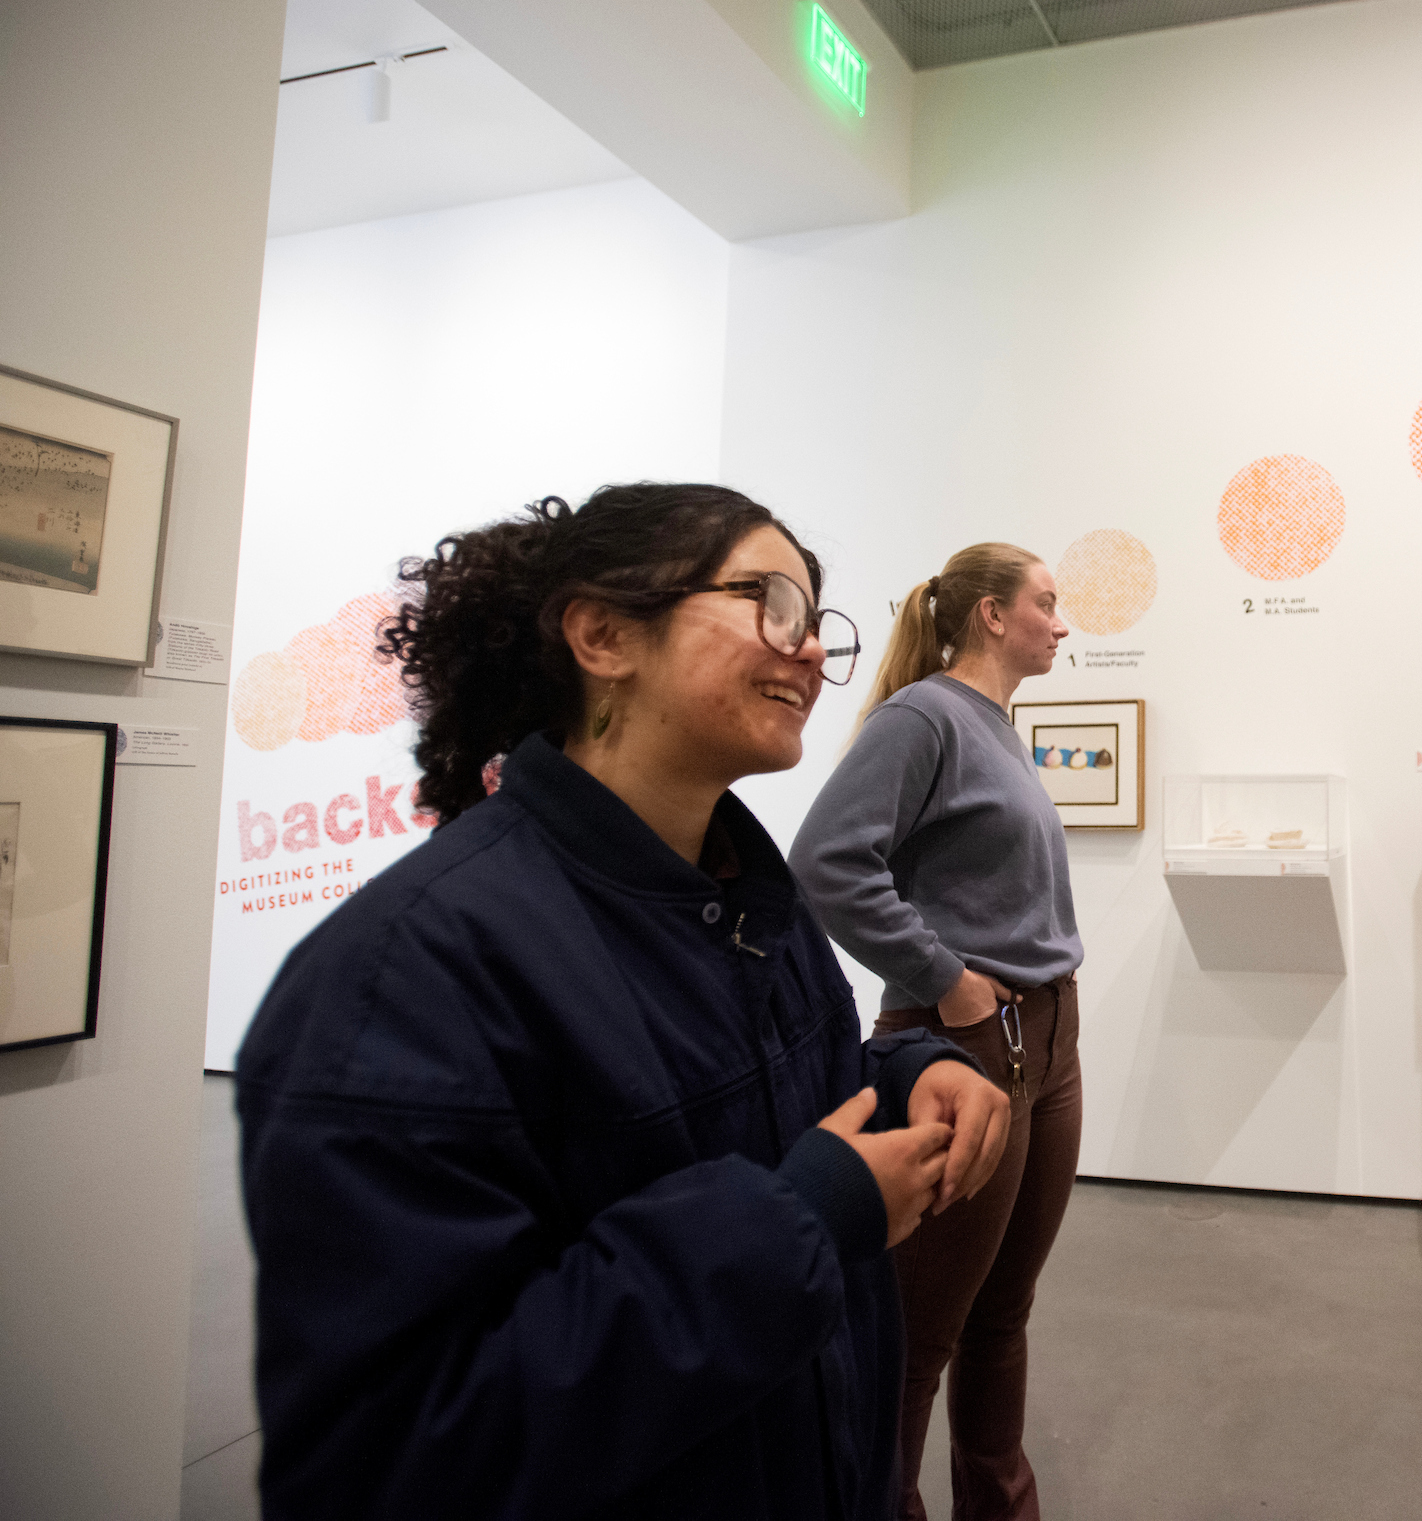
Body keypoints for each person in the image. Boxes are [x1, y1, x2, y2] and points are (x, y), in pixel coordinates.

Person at [236, 484, 1011, 1521]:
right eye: (773, 604)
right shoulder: (405, 977)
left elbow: (753, 1102)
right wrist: (804, 1225)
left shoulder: (744, 892)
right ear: (602, 633)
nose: (815, 651)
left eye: (819, 621)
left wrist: (907, 1070)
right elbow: (397, 1456)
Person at [789, 543, 1081, 1521]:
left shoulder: (998, 725)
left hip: (1046, 1037)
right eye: (1046, 602)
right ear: (992, 614)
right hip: (962, 1042)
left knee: (1003, 1315)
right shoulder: (925, 716)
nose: (1062, 621)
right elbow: (829, 862)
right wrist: (945, 979)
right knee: (915, 1338)